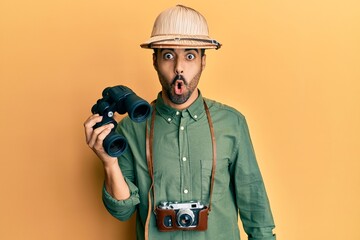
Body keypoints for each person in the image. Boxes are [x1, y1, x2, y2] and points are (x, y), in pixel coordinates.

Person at [84, 5, 276, 240]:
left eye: (190, 55)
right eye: (168, 55)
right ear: (154, 61)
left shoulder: (232, 123)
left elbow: (258, 216)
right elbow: (122, 211)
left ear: (203, 61)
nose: (179, 68)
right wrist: (109, 163)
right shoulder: (131, 128)